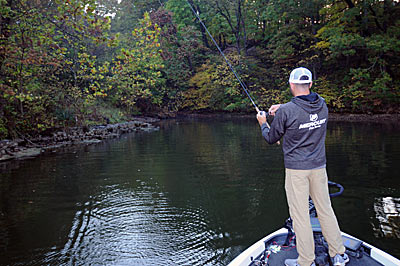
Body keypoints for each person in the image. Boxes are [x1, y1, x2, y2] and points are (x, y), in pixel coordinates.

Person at [256, 67, 349, 266]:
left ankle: (306, 261)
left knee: (300, 216)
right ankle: (339, 254)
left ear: (291, 85)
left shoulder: (288, 111)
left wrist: (263, 122)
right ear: (311, 84)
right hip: (319, 168)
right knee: (325, 210)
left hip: (297, 171)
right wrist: (281, 107)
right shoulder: (323, 105)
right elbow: (303, 108)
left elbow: (271, 138)